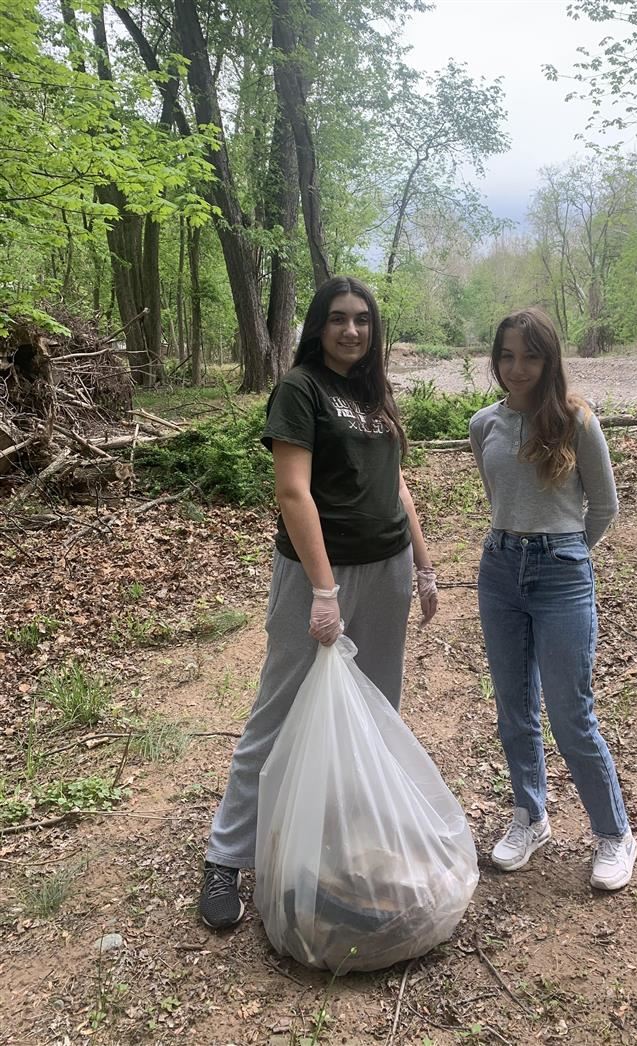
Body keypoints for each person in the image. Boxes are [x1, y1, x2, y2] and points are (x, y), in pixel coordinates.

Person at [199, 276, 438, 929]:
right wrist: (325, 590)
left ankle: (345, 839)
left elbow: (398, 485)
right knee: (277, 711)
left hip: (387, 569)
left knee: (375, 708)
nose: (352, 330)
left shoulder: (373, 394)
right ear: (318, 325)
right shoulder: (300, 389)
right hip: (320, 576)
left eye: (363, 319)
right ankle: (226, 856)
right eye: (339, 318)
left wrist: (423, 565)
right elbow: (293, 493)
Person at [469, 308, 637, 891]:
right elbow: (500, 497)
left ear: (550, 359)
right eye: (507, 356)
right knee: (514, 708)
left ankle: (614, 833)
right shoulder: (483, 423)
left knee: (571, 713)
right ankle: (531, 815)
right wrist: (517, 545)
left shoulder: (575, 420)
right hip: (498, 571)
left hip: (562, 573)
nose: (517, 369)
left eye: (530, 356)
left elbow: (605, 507)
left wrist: (567, 553)